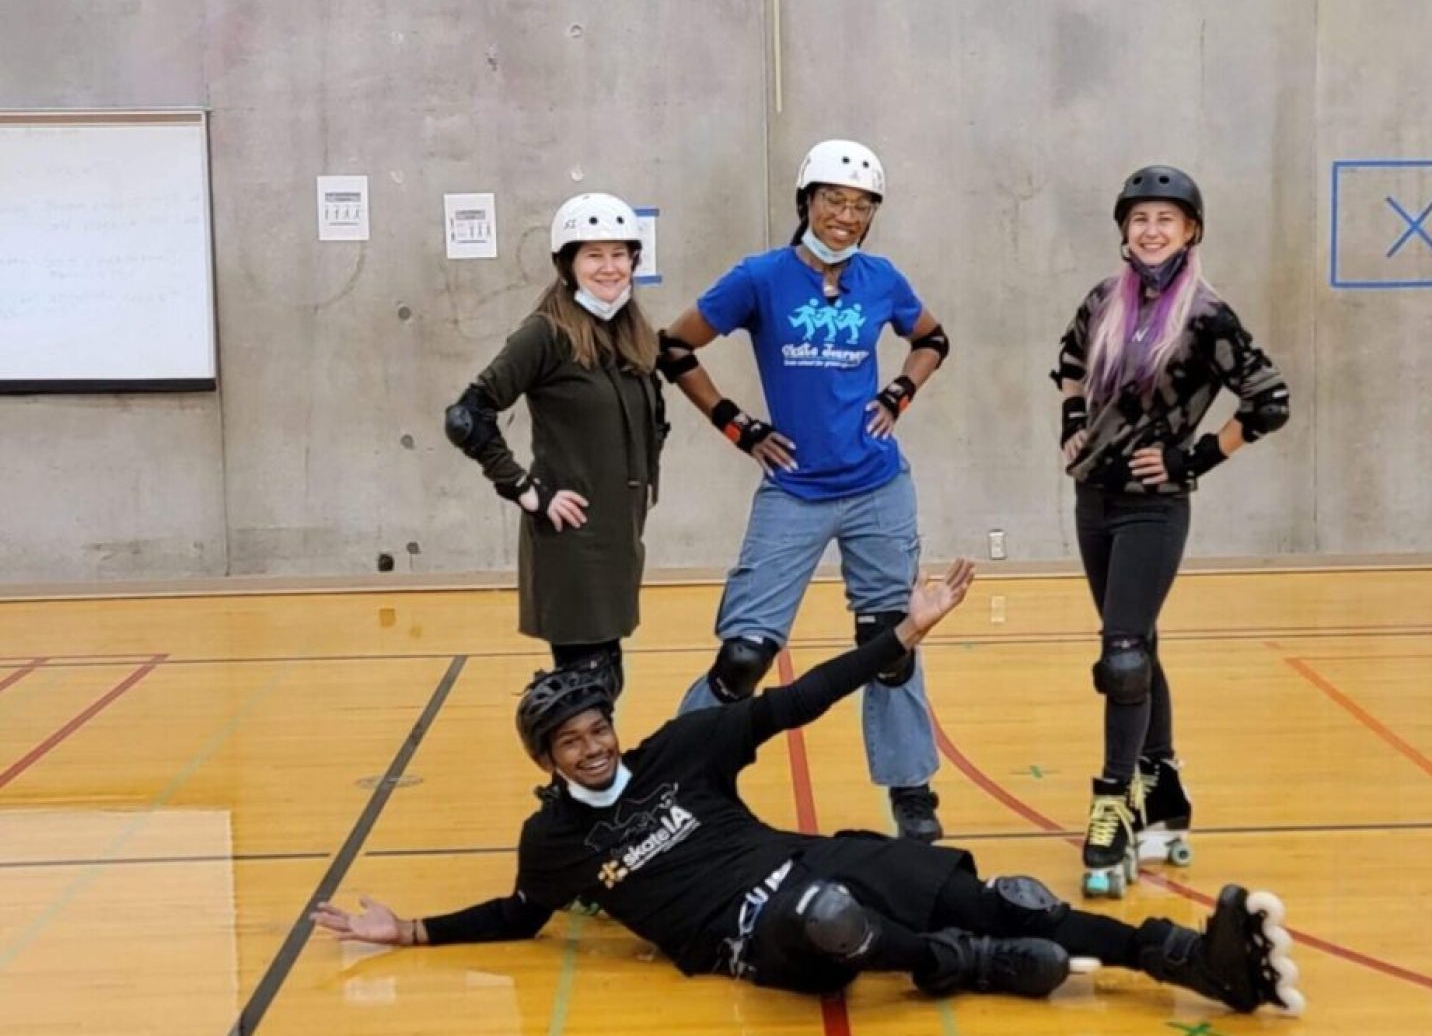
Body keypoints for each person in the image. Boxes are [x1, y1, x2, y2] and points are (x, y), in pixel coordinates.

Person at [310, 559, 1303, 1014]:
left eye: (595, 727)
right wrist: (411, 932)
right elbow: (522, 913)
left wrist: (902, 633)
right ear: (545, 761)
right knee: (831, 917)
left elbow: (806, 696)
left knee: (998, 895)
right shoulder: (556, 843)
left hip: (804, 858)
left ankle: (1180, 960)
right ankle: (964, 963)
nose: (590, 748)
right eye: (566, 742)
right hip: (754, 933)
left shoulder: (680, 747)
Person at [655, 139, 951, 840]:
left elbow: (934, 338)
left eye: (860, 205)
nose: (846, 216)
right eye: (833, 200)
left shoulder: (882, 279)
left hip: (878, 484)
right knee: (744, 656)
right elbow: (672, 346)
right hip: (794, 490)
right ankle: (674, 776)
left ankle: (912, 793)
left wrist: (902, 389)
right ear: (805, 203)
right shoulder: (759, 278)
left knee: (890, 642)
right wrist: (738, 426)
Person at [1052, 166, 1292, 896]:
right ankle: (1165, 786)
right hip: (1093, 499)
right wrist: (1071, 427)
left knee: (1122, 657)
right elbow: (1066, 363)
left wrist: (1194, 457)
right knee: (1137, 644)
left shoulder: (1208, 317)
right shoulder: (1103, 300)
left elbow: (1269, 401)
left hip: (1154, 508)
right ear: (1125, 229)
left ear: (1191, 231)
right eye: (1140, 219)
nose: (1151, 230)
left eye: (1167, 219)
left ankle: (1112, 802)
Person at [444, 192, 667, 692]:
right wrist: (527, 490)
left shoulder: (630, 332)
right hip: (572, 540)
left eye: (619, 254)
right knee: (586, 686)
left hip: (619, 537)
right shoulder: (546, 333)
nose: (609, 268)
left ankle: (580, 773)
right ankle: (573, 771)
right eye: (593, 255)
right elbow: (467, 416)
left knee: (602, 680)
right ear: (567, 265)